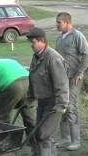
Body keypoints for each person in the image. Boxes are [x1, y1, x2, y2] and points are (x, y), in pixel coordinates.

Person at [27, 27, 69, 156]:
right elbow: (33, 78)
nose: (31, 45)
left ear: (42, 41)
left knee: (44, 135)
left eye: (33, 42)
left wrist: (61, 105)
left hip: (54, 103)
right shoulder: (36, 57)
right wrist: (29, 98)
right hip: (42, 102)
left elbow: (61, 83)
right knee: (42, 133)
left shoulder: (53, 58)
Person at [55, 12, 88, 151]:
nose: (57, 24)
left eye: (59, 22)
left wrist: (79, 72)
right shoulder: (60, 38)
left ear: (67, 22)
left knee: (71, 107)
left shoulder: (77, 36)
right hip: (61, 79)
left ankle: (76, 140)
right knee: (62, 106)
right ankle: (65, 138)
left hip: (74, 79)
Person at [0, 53, 36, 135]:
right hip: (29, 83)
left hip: (14, 86)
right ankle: (36, 142)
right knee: (29, 115)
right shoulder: (8, 60)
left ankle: (1, 143)